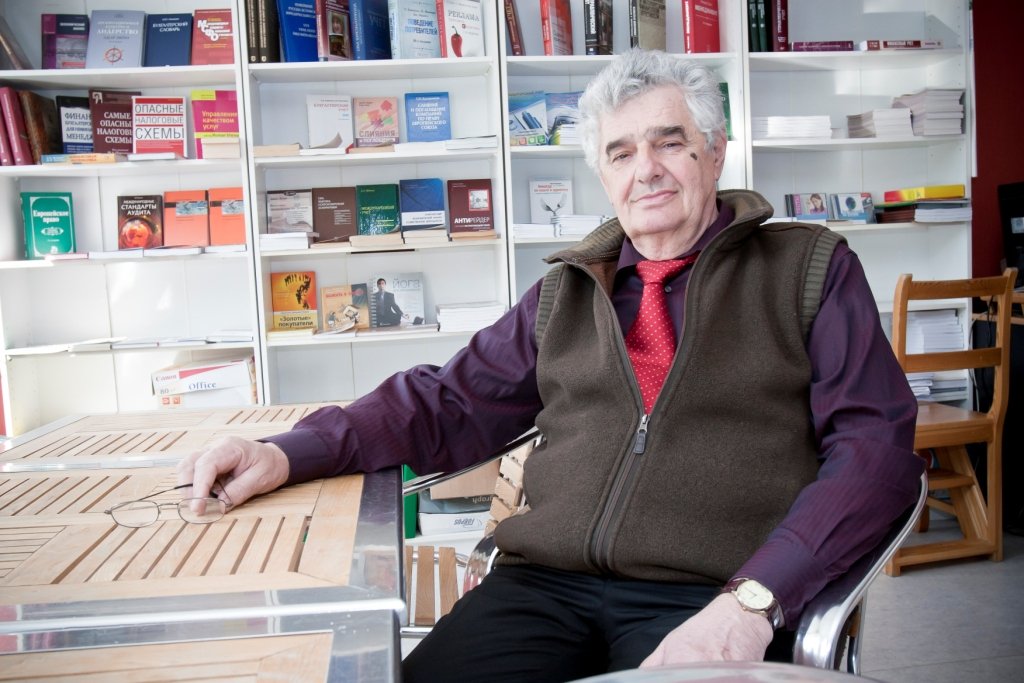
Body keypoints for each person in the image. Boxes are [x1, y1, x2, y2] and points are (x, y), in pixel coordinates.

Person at [180, 50, 923, 682]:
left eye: (669, 143)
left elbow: (874, 453)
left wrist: (755, 600)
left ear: (715, 151)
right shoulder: (565, 292)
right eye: (621, 153)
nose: (647, 170)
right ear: (603, 173)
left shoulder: (808, 270)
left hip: (708, 593)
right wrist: (287, 451)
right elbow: (445, 402)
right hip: (543, 588)